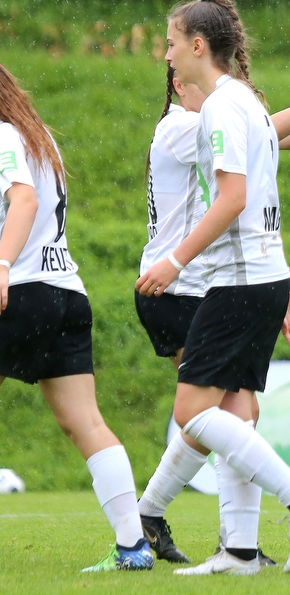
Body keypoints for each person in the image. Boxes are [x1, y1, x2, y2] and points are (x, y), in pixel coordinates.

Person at [133, 0, 290, 576]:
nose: (166, 56)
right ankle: (236, 550)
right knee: (234, 414)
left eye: (171, 43)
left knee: (200, 414)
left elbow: (233, 198)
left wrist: (175, 261)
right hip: (255, 278)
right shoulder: (240, 105)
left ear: (199, 47)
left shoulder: (222, 109)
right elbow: (271, 148)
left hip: (227, 282)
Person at [0, 62, 154, 572]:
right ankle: (133, 547)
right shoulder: (36, 135)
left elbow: (23, 200)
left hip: (20, 291)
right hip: (66, 292)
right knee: (86, 422)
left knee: (84, 422)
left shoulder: (1, 135)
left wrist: (1, 264)